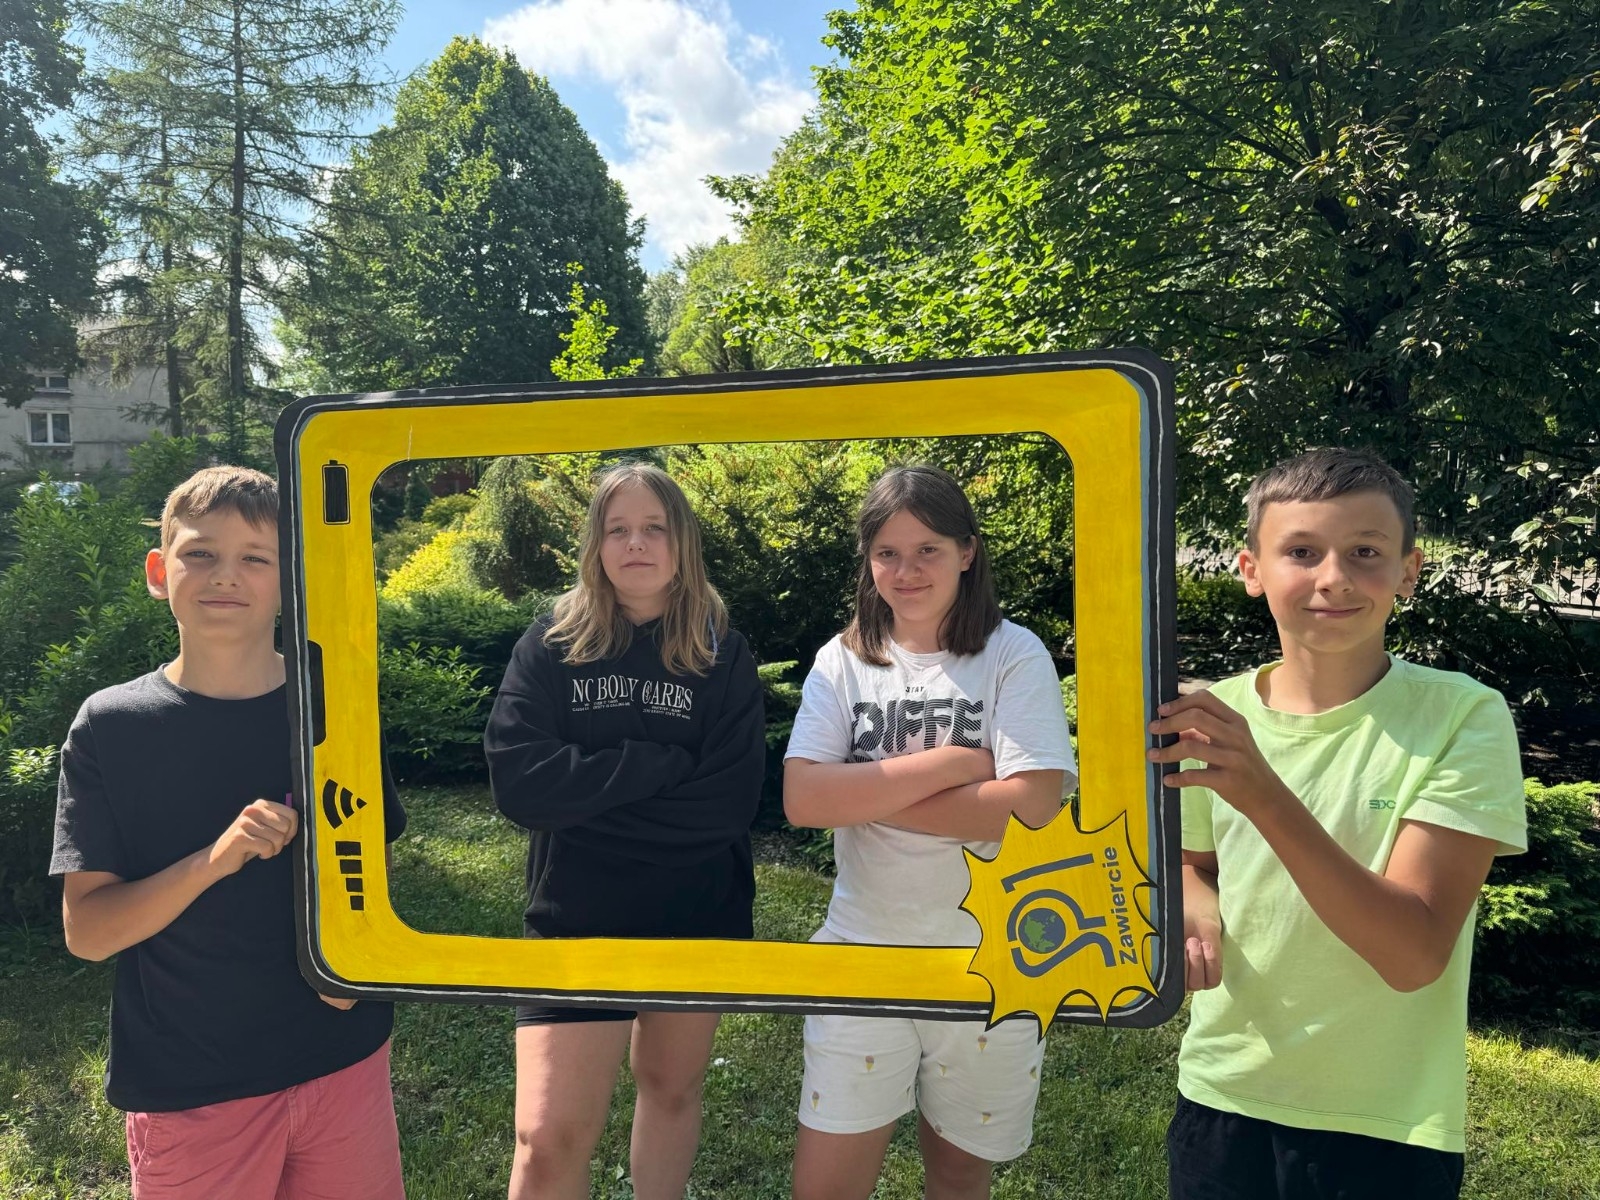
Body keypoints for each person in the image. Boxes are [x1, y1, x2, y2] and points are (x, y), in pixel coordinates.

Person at [1153, 447, 1527, 1200]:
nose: (1334, 578)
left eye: (1365, 552)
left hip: (1385, 1125)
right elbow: (1196, 864)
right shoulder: (1211, 718)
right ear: (1251, 569)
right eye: (1301, 551)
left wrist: (1266, 795)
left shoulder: (1463, 716)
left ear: (1408, 570)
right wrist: (1197, 911)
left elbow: (1413, 954)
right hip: (1222, 1096)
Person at [50, 465, 407, 1199]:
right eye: (201, 553)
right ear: (159, 572)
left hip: (343, 1061)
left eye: (256, 557)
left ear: (292, 579)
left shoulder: (335, 705)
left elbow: (372, 876)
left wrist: (359, 966)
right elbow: (89, 933)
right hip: (192, 1084)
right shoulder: (112, 727)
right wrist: (213, 860)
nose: (225, 575)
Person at [783, 464, 1076, 1200]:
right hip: (860, 952)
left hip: (990, 961)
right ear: (867, 560)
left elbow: (1033, 806)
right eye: (887, 553)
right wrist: (955, 764)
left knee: (957, 1178)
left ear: (967, 552)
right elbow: (803, 799)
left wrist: (861, 792)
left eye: (928, 551)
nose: (906, 571)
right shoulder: (842, 660)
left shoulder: (1013, 653)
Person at [484, 461, 765, 1200]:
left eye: (653, 528)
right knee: (546, 1139)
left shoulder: (721, 652)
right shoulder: (551, 643)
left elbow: (726, 805)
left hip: (697, 912)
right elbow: (520, 782)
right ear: (596, 545)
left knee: (670, 1089)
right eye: (617, 529)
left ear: (682, 543)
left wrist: (585, 807)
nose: (635, 544)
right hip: (575, 915)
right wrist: (655, 765)